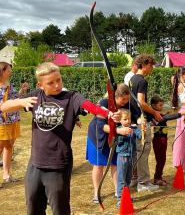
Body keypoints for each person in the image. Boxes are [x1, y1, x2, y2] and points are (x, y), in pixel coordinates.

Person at [0, 62, 120, 215]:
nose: (57, 85)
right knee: (33, 208)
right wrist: (21, 101)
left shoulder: (71, 97)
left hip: (58, 164)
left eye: (59, 80)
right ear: (40, 85)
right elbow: (4, 106)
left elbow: (89, 106)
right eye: (50, 82)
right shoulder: (36, 96)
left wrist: (108, 114)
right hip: (35, 164)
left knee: (60, 210)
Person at [87, 83, 142, 204]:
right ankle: (97, 193)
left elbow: (136, 116)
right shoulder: (105, 103)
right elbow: (100, 125)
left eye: (127, 99)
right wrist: (118, 130)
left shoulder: (126, 104)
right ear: (115, 97)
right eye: (123, 99)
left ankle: (119, 191)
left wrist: (140, 121)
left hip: (115, 137)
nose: (126, 101)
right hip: (98, 137)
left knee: (115, 164)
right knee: (98, 164)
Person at [129, 54, 163, 192]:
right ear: (144, 64)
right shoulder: (142, 81)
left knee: (137, 151)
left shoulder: (132, 79)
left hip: (134, 120)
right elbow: (141, 102)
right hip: (141, 122)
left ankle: (135, 179)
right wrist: (154, 112)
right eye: (151, 65)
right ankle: (143, 183)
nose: (152, 68)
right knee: (143, 151)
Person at [0, 62, 28, 188]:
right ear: (2, 71)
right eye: (8, 70)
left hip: (13, 119)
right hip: (1, 121)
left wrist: (22, 90)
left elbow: (16, 98)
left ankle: (6, 174)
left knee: (9, 147)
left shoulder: (8, 84)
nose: (10, 72)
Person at [151, 95, 185, 185]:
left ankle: (159, 177)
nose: (162, 107)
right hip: (159, 140)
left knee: (162, 159)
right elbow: (166, 118)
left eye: (162, 105)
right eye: (160, 105)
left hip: (162, 139)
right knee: (161, 160)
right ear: (153, 106)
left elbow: (164, 118)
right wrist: (181, 114)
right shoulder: (154, 114)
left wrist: (166, 115)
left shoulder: (158, 113)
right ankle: (156, 178)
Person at [116, 108, 141, 207]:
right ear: (120, 120)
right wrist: (123, 133)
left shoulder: (133, 128)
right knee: (121, 178)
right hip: (122, 156)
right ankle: (120, 199)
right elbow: (118, 142)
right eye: (125, 119)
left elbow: (139, 136)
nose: (127, 121)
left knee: (128, 178)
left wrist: (141, 130)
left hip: (131, 155)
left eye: (129, 119)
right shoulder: (119, 130)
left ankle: (126, 196)